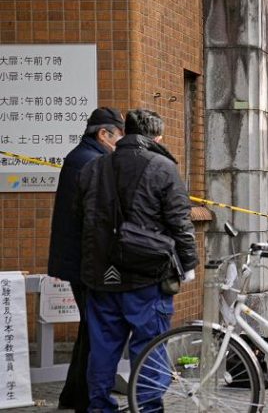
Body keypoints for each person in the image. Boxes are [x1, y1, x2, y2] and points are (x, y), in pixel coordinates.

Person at [76, 109, 198, 411]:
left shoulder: (93, 168)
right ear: (156, 137)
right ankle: (147, 405)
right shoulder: (163, 167)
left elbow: (82, 220)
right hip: (148, 273)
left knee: (103, 347)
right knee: (149, 345)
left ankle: (100, 405)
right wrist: (189, 264)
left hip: (102, 273)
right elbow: (180, 222)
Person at [48, 107, 124, 412]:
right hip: (85, 262)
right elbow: (97, 219)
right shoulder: (91, 162)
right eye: (118, 137)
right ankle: (85, 398)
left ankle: (73, 394)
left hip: (77, 259)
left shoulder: (81, 157)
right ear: (103, 134)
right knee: (97, 330)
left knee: (90, 329)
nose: (120, 143)